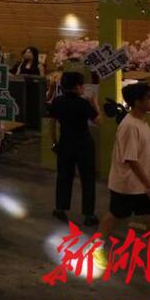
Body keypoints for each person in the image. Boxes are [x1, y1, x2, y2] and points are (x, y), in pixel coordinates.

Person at [96, 82, 150, 268]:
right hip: (127, 185)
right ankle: (95, 249)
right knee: (114, 217)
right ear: (137, 102)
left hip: (142, 184)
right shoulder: (130, 126)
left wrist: (149, 185)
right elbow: (131, 160)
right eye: (149, 98)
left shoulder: (141, 122)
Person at [49, 71, 98, 225]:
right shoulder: (83, 103)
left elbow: (52, 124)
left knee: (63, 177)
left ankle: (60, 208)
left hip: (65, 143)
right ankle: (89, 214)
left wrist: (54, 142)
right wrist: (94, 103)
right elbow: (99, 121)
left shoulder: (57, 101)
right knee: (87, 179)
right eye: (82, 85)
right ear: (77, 87)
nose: (83, 88)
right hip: (84, 145)